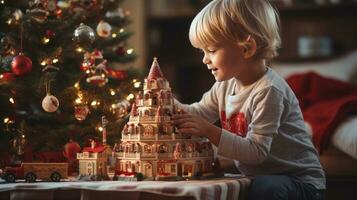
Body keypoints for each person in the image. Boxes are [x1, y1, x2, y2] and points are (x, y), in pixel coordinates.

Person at [172, 0, 326, 199]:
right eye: (203, 52)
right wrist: (165, 103)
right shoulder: (225, 85)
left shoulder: (269, 91)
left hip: (300, 183)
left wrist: (209, 131)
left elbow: (256, 152)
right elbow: (198, 113)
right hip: (262, 176)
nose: (205, 59)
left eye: (211, 50)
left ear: (246, 48)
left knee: (266, 187)